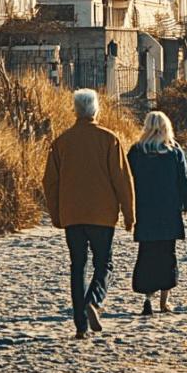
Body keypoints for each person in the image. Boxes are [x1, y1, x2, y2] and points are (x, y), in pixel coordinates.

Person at [43, 89, 135, 339]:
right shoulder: (109, 139)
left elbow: (50, 182)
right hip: (102, 215)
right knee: (104, 264)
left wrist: (56, 214)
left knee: (78, 267)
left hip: (72, 215)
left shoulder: (61, 142)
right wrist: (129, 213)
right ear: (96, 110)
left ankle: (80, 325)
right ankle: (94, 301)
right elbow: (122, 179)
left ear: (75, 110)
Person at [127, 111, 187, 316]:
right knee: (167, 255)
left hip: (145, 211)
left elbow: (127, 181)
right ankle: (164, 302)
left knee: (147, 254)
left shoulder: (137, 151)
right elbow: (183, 179)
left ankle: (147, 299)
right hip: (168, 211)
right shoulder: (173, 151)